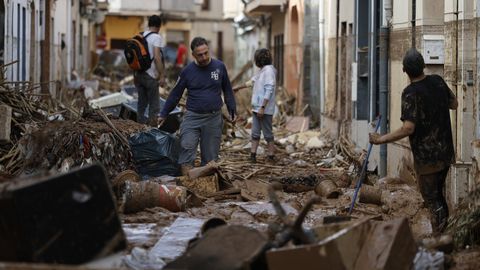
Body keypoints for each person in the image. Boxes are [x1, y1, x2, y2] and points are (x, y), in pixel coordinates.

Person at [369, 48, 457, 233]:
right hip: (446, 151)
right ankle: (445, 235)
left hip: (428, 158)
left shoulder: (410, 93)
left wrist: (380, 140)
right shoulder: (438, 81)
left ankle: (441, 237)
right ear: (424, 65)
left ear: (405, 71)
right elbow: (454, 104)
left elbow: (408, 127)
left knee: (432, 199)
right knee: (439, 196)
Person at [158, 37, 237, 174]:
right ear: (193, 55)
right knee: (186, 149)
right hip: (192, 117)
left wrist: (232, 109)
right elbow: (175, 94)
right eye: (200, 55)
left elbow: (228, 90)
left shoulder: (219, 67)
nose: (204, 57)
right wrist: (164, 113)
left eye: (206, 53)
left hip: (213, 118)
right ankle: (187, 186)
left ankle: (206, 189)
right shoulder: (187, 71)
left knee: (210, 159)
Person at [233, 48, 277, 163]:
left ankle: (271, 155)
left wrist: (262, 108)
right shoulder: (262, 71)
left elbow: (269, 90)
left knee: (267, 133)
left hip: (264, 109)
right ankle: (253, 155)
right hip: (257, 108)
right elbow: (252, 82)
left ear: (259, 60)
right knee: (255, 133)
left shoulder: (269, 72)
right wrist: (238, 87)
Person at [134, 15, 166, 126]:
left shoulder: (141, 35)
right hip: (150, 76)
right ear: (159, 26)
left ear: (149, 24)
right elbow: (157, 57)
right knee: (154, 106)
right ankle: (151, 131)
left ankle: (139, 128)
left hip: (139, 74)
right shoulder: (156, 37)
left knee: (141, 104)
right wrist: (162, 76)